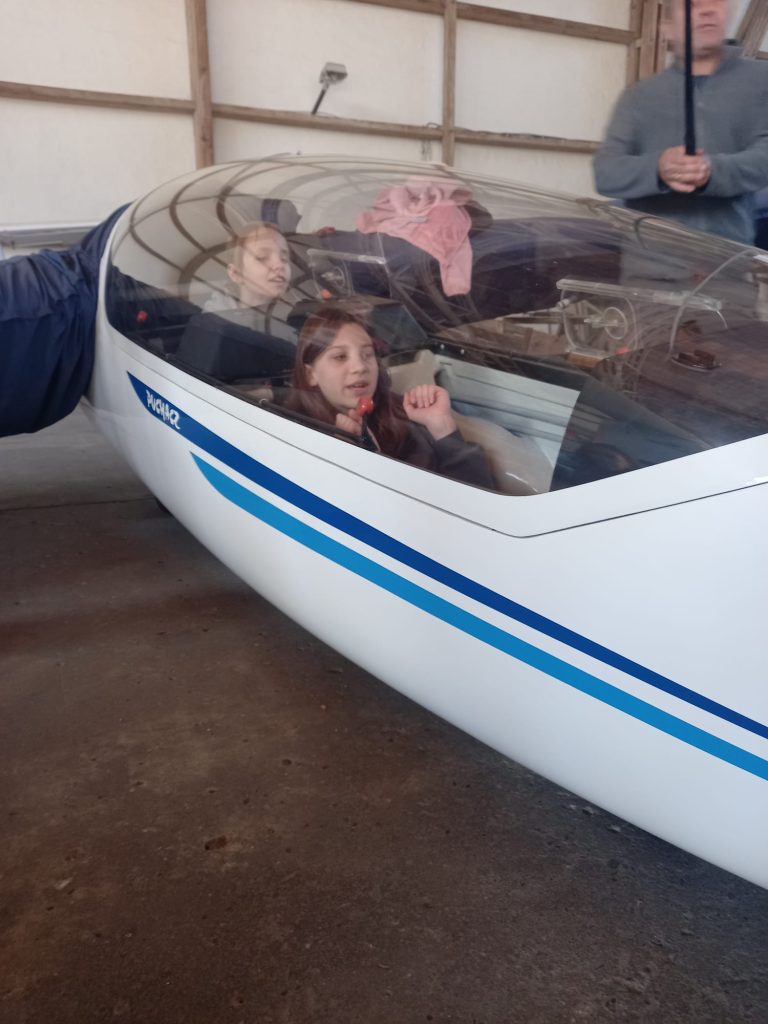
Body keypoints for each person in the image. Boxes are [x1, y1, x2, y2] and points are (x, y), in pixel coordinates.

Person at [593, 0, 768, 245]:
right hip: (650, 261)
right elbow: (606, 173)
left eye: (715, 1)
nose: (707, 10)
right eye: (692, 5)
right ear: (667, 27)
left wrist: (711, 170)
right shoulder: (640, 96)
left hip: (727, 260)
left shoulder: (761, 81)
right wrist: (658, 168)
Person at [284, 306, 494, 489]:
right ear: (311, 374)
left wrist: (442, 426)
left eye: (367, 354)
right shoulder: (294, 438)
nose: (360, 367)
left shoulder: (402, 417)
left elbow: (476, 497)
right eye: (340, 357)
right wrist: (359, 463)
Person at [175, 221, 297, 382]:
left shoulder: (298, 320)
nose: (279, 265)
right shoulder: (211, 328)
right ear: (236, 274)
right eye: (262, 257)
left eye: (284, 258)